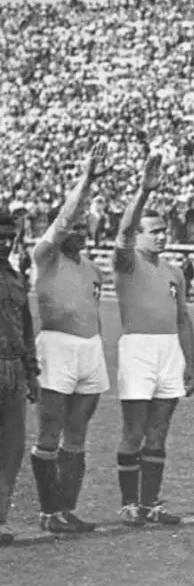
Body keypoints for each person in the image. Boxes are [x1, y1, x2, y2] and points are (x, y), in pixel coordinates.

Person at [28, 143, 109, 533]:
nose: (78, 231)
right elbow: (62, 219)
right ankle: (48, 510)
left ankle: (66, 508)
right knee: (51, 424)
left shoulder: (94, 270)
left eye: (83, 227)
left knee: (79, 428)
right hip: (57, 345)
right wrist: (88, 178)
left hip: (89, 349)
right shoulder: (46, 256)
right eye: (72, 227)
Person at [112, 154, 194, 527]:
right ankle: (130, 503)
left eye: (164, 230)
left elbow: (183, 319)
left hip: (168, 351)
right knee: (134, 428)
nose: (161, 235)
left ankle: (151, 503)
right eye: (154, 230)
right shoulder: (127, 262)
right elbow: (124, 230)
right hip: (138, 349)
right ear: (139, 235)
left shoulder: (174, 271)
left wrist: (190, 364)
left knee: (159, 430)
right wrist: (143, 192)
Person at [0, 211, 39, 546]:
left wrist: (33, 371)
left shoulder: (15, 276)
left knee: (11, 448)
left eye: (8, 236)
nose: (3, 242)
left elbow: (26, 328)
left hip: (14, 368)